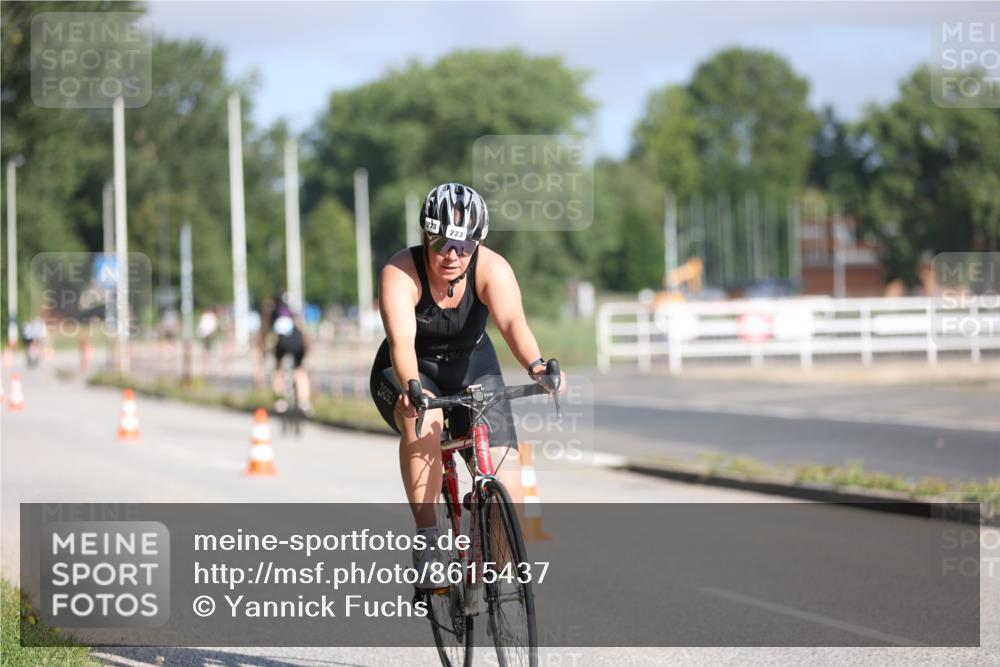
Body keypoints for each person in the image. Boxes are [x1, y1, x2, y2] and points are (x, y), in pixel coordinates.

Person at [369, 182, 561, 587]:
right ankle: (429, 539)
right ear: (426, 236)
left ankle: (480, 572)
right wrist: (411, 388)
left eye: (465, 246)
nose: (453, 256)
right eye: (441, 244)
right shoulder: (400, 273)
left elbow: (512, 324)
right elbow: (402, 342)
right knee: (426, 424)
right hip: (410, 370)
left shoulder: (492, 268)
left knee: (510, 487)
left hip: (473, 364)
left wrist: (538, 366)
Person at [262, 292, 312, 414]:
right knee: (300, 371)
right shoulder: (293, 312)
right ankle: (304, 401)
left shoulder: (273, 312)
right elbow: (302, 331)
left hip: (282, 343)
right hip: (297, 342)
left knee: (278, 369)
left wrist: (265, 350)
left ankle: (280, 400)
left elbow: (266, 332)